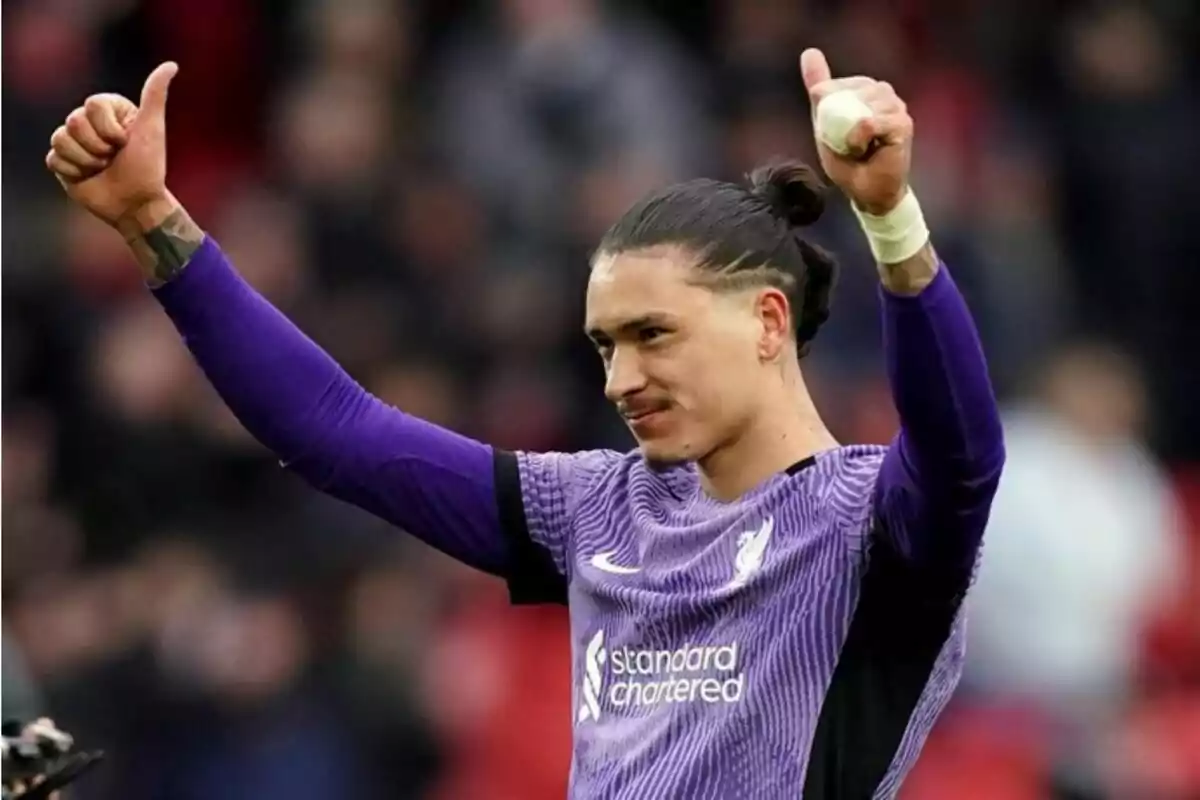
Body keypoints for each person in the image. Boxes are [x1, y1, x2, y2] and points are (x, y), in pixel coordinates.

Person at [45, 49, 1004, 799]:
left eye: (653, 335)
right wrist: (150, 219)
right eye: (603, 346)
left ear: (767, 320)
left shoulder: (867, 526)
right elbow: (336, 430)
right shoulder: (595, 510)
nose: (622, 379)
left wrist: (891, 224)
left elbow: (962, 455)